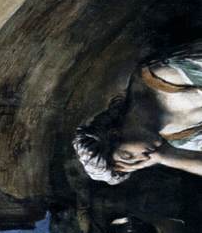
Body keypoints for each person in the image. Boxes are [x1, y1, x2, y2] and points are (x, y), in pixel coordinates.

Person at [73, 43, 202, 184]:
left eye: (127, 155)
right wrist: (164, 157)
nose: (146, 158)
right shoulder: (182, 138)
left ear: (113, 133)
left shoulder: (160, 77)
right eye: (137, 162)